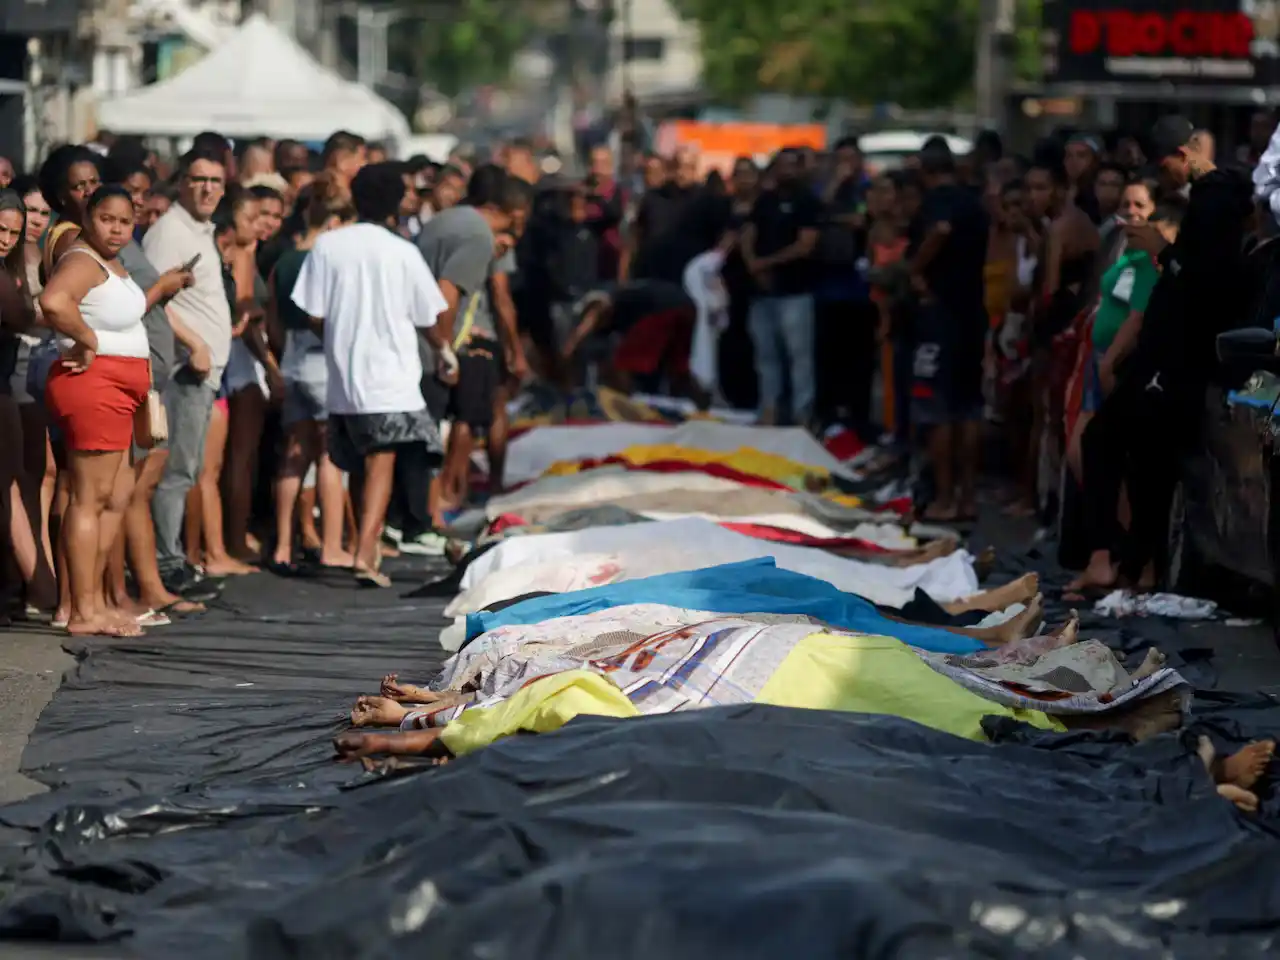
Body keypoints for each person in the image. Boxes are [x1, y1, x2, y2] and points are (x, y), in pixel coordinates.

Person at [1071, 116, 1254, 595]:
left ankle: (1119, 564)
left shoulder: (1215, 201)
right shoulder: (1213, 198)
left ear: (1183, 153)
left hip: (1175, 361)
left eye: (1167, 164)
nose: (1166, 176)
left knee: (1118, 448)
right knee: (1141, 460)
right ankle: (1131, 568)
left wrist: (1162, 250)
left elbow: (1205, 283)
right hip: (1167, 356)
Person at [292, 162, 455, 587]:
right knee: (381, 464)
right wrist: (444, 350)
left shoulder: (328, 246)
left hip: (344, 375)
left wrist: (339, 337)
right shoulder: (403, 251)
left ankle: (360, 541)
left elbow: (311, 312)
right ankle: (366, 550)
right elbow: (428, 315)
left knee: (355, 462)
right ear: (396, 202)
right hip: (392, 375)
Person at [39, 186, 187, 636]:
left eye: (125, 221)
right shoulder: (82, 259)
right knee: (89, 498)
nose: (117, 228)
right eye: (107, 219)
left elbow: (120, 311)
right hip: (94, 385)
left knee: (114, 500)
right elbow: (53, 302)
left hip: (122, 388)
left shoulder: (111, 263)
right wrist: (87, 340)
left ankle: (99, 601)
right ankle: (83, 610)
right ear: (89, 216)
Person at [417, 165, 529, 527]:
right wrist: (444, 348)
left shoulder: (441, 222)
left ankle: (434, 502)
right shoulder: (480, 236)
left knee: (435, 425)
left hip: (422, 334)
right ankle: (445, 501)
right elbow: (451, 294)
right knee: (466, 417)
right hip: (461, 338)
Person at [142, 146, 228, 600]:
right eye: (199, 179)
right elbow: (151, 297)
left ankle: (173, 557)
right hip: (182, 370)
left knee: (188, 469)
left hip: (202, 372)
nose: (208, 188)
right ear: (182, 183)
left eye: (215, 181)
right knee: (175, 471)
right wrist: (195, 342)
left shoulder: (197, 229)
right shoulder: (169, 231)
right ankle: (165, 563)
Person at [269, 175, 357, 575]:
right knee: (329, 456)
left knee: (294, 453)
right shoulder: (329, 260)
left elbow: (272, 316)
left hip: (292, 357)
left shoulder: (285, 259)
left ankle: (283, 544)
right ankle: (333, 546)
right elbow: (328, 315)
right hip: (323, 360)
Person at [909, 137, 990, 523]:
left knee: (938, 409)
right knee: (968, 409)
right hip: (973, 312)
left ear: (925, 171)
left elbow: (939, 230)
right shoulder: (974, 202)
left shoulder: (937, 201)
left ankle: (944, 496)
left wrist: (916, 268)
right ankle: (969, 496)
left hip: (940, 315)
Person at [740, 148, 821, 426]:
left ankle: (802, 415)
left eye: (791, 165)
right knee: (766, 358)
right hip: (762, 293)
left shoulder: (807, 201)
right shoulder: (765, 200)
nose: (786, 171)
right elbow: (748, 233)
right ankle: (769, 410)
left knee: (799, 359)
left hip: (795, 290)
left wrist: (766, 263)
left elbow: (806, 245)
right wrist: (752, 262)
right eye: (781, 165)